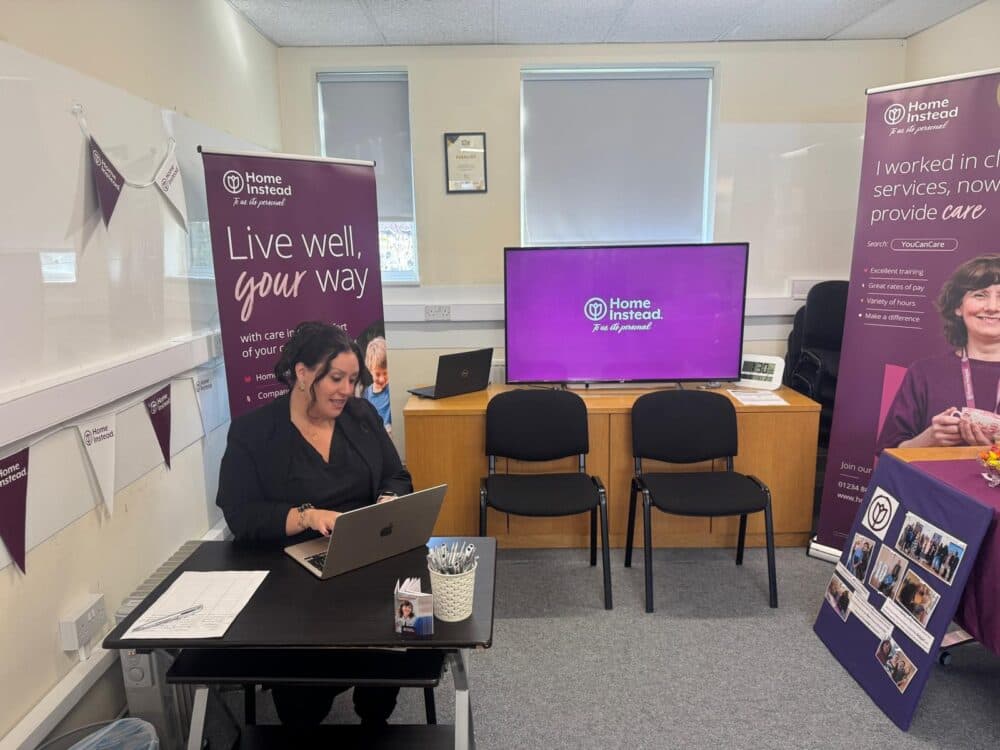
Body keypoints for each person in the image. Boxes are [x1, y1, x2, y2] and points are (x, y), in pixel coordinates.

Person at [216, 321, 413, 726]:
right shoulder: (255, 433)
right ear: (303, 374)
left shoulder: (361, 416)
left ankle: (375, 718)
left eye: (353, 379)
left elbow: (397, 475)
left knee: (392, 641)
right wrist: (306, 516)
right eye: (336, 378)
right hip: (291, 572)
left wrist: (388, 501)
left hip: (363, 559)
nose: (346, 390)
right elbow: (239, 512)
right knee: (304, 699)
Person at [877, 255, 1000, 451]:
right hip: (931, 482)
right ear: (958, 307)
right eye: (980, 295)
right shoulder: (924, 372)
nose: (993, 307)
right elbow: (889, 454)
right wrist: (928, 440)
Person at [362, 336, 392, 433]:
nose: (382, 379)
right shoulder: (366, 394)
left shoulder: (391, 390)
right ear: (370, 370)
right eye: (377, 374)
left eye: (385, 373)